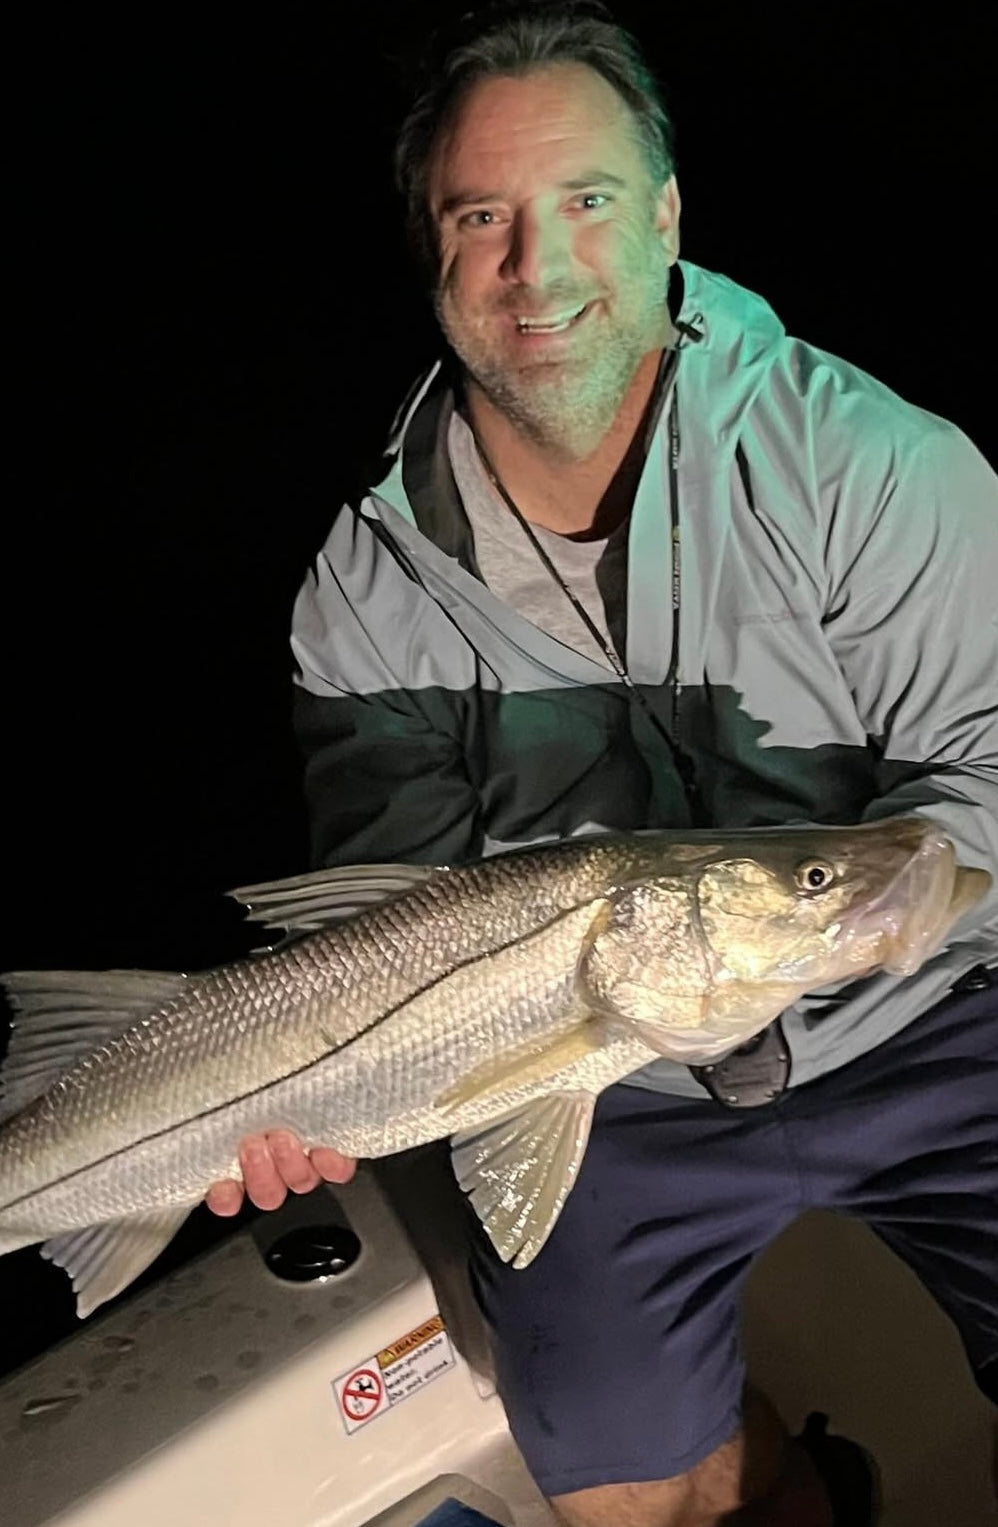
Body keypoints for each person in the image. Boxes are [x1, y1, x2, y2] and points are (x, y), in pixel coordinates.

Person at [205, 4, 998, 1523]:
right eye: (481, 216)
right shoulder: (361, 593)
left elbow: (982, 761)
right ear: (432, 251)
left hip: (937, 1015)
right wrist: (319, 1090)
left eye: (583, 203)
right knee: (635, 1497)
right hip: (594, 1076)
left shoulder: (870, 466)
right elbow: (398, 920)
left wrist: (900, 902)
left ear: (666, 217)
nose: (536, 267)